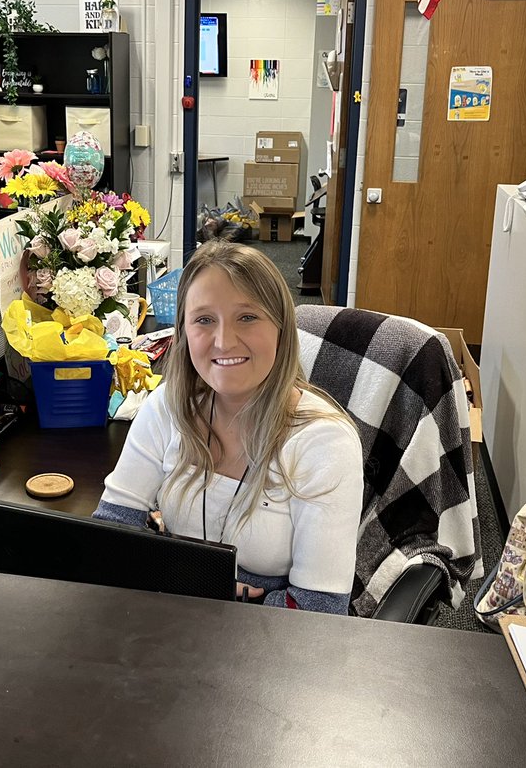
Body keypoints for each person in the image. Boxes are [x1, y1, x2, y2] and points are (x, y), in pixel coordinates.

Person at [93, 241, 364, 614]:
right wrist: (197, 584)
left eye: (247, 317)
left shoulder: (324, 443)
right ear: (184, 331)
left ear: (281, 329)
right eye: (204, 320)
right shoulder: (169, 407)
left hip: (272, 644)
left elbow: (318, 610)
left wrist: (184, 585)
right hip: (175, 622)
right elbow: (110, 535)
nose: (223, 341)